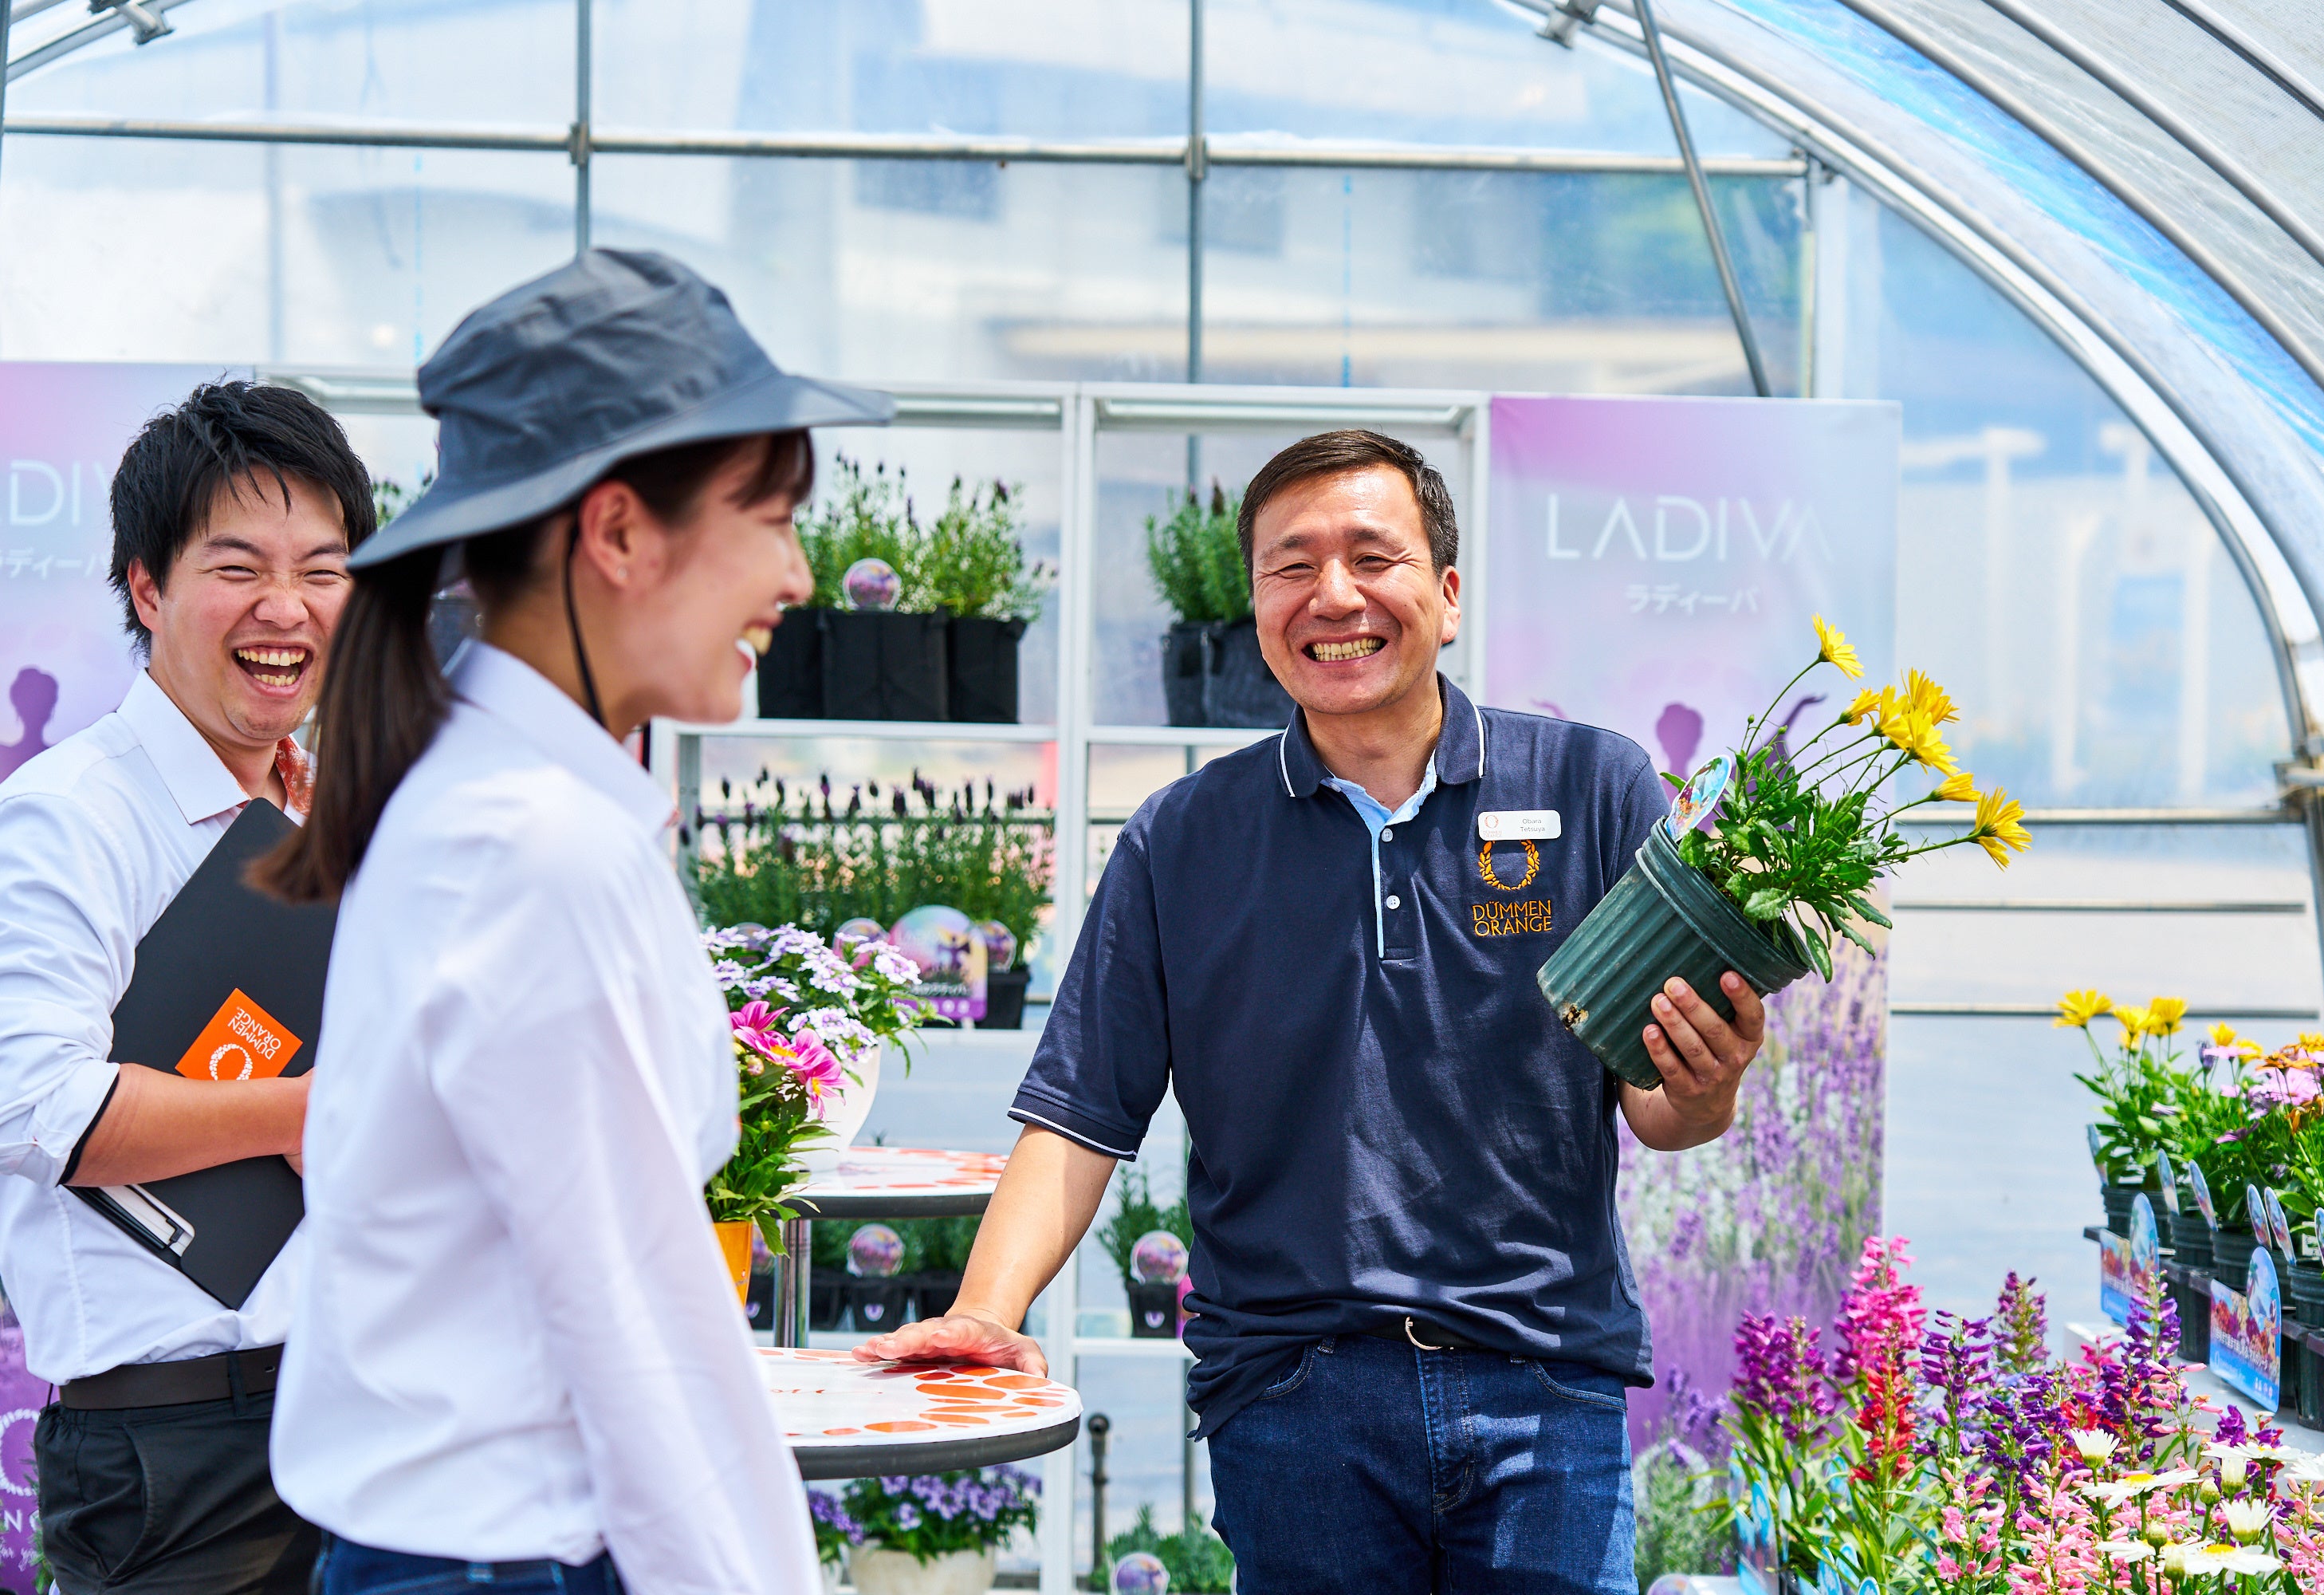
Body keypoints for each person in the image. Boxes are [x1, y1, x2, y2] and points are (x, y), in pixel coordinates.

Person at [861, 429, 1771, 1593]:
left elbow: (1661, 1112)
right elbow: (1082, 1112)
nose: (1333, 595)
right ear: (1254, 609)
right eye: (1291, 567)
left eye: (1371, 557)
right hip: (1294, 1398)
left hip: (1544, 1387)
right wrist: (986, 1309)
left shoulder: (1592, 788)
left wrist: (1710, 1085)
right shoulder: (1182, 838)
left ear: (1446, 598)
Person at [256, 249, 895, 1595]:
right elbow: (634, 1327)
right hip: (516, 1559)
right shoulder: (532, 846)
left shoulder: (495, 798)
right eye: (771, 517)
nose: (798, 573)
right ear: (614, 533)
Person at [0, 380, 370, 1593]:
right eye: (239, 568)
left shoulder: (340, 810)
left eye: (323, 569)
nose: (286, 608)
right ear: (147, 588)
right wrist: (302, 1115)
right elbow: (33, 1106)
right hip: (174, 1461)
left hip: (364, 1423)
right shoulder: (64, 820)